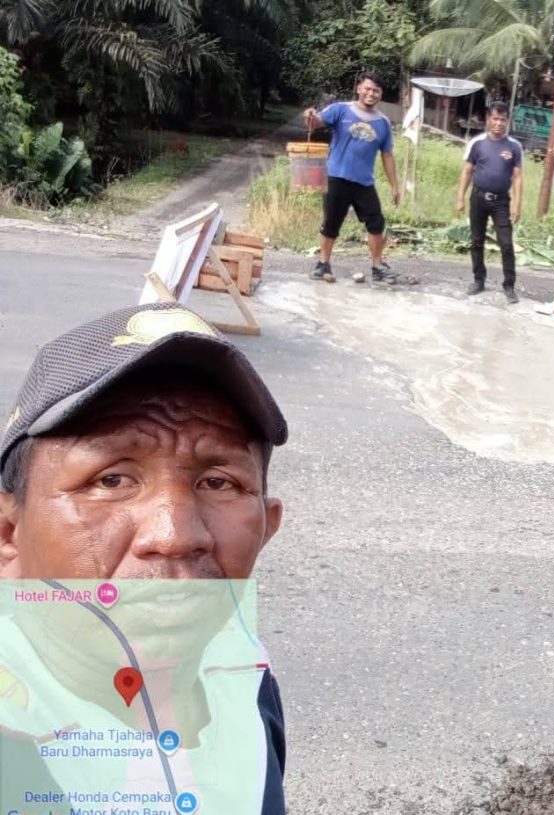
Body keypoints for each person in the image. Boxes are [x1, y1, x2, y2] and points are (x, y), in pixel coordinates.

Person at [0, 303, 290, 812]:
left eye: (218, 482)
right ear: (8, 534)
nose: (175, 536)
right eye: (110, 479)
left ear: (265, 529)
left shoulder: (244, 676)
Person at [304, 71, 409, 286]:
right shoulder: (340, 110)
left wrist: (395, 186)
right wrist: (310, 116)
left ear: (380, 94)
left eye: (376, 90)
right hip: (336, 177)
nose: (371, 93)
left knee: (376, 222)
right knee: (331, 222)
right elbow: (315, 123)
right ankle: (323, 263)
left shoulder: (383, 123)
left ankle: (378, 266)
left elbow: (387, 155)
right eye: (368, 89)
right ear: (359, 89)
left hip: (364, 182)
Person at [456, 101, 523, 304]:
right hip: (478, 198)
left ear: (507, 122)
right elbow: (467, 171)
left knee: (506, 244)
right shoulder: (477, 144)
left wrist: (517, 204)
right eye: (495, 118)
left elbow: (518, 177)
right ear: (488, 119)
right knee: (476, 241)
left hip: (501, 202)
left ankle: (509, 285)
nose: (499, 123)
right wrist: (460, 198)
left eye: (503, 120)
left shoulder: (514, 146)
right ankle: (479, 280)